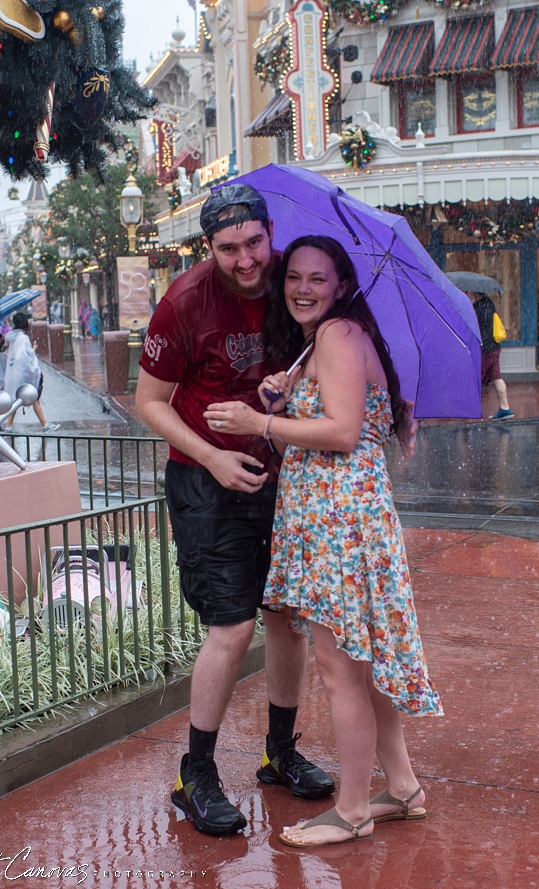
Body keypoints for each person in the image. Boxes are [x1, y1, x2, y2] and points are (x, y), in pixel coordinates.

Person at [204, 235, 442, 847]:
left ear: (340, 286)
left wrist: (259, 421)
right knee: (365, 669)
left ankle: (355, 808)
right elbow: (307, 444)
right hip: (335, 519)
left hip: (342, 525)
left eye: (318, 278)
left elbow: (340, 433)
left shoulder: (336, 337)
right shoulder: (322, 344)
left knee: (341, 673)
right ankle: (404, 787)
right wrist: (281, 408)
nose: (303, 288)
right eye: (295, 278)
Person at [135, 185, 339, 836]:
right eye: (229, 248)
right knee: (230, 626)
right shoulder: (184, 303)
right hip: (207, 479)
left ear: (269, 231)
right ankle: (195, 772)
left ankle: (279, 750)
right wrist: (215, 457)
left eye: (255, 242)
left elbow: (326, 355)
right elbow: (150, 401)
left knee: (286, 618)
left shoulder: (294, 281)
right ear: (208, 248)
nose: (247, 260)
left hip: (284, 472)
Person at [0, 312, 54, 431]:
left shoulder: (13, 337)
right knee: (34, 399)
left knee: (16, 399)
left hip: (14, 373)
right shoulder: (23, 338)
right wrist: (33, 350)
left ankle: (9, 426)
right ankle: (45, 425)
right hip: (24, 374)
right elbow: (25, 356)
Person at [472, 291, 513, 420]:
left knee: (475, 380)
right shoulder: (490, 304)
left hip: (485, 350)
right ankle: (505, 408)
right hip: (495, 347)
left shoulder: (477, 308)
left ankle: (472, 411)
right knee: (496, 377)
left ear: (475, 293)